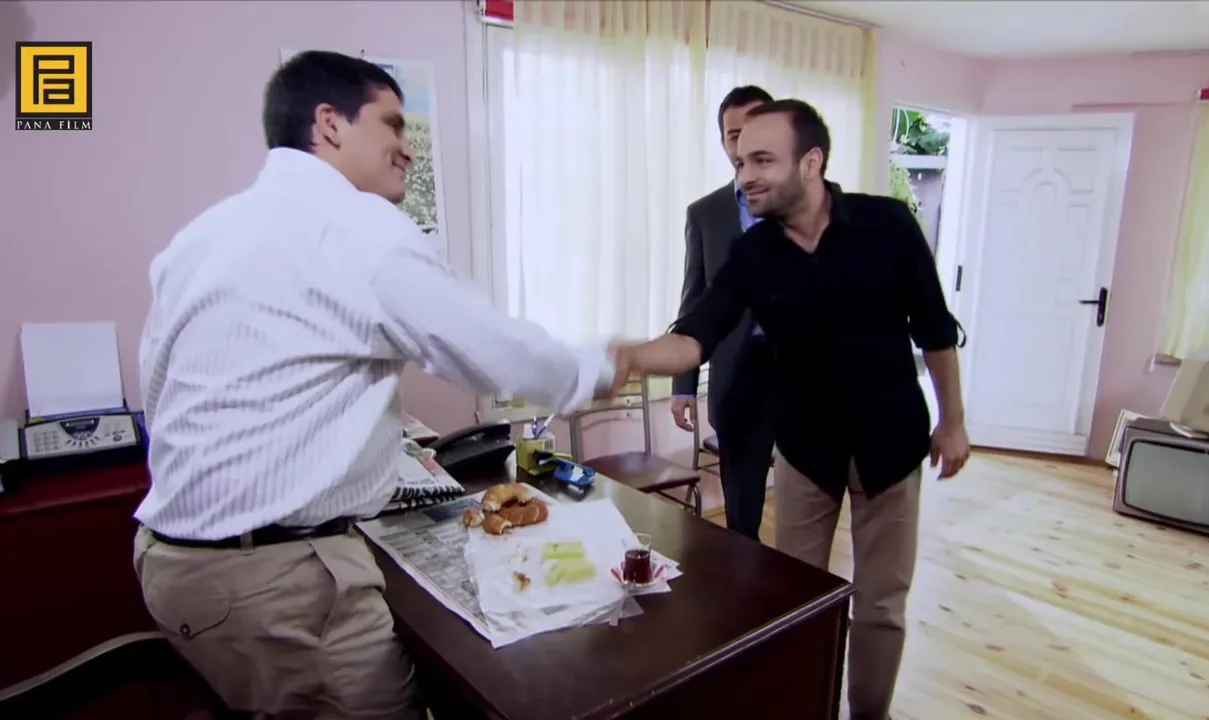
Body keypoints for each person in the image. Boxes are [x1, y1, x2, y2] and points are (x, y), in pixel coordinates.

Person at [132, 50, 623, 719]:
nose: (408, 149)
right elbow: (492, 351)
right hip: (273, 580)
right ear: (329, 124)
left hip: (176, 566)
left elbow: (160, 392)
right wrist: (604, 365)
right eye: (393, 125)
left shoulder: (202, 236)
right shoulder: (355, 227)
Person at [616, 99, 970, 720]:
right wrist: (630, 358)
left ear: (811, 162)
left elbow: (935, 330)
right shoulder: (754, 255)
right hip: (806, 447)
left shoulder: (887, 224)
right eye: (740, 161)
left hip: (891, 443)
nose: (745, 175)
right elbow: (697, 333)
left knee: (881, 604)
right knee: (797, 598)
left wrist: (954, 421)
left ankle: (870, 714)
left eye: (762, 160)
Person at [670, 85, 778, 542]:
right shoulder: (705, 214)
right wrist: (683, 385)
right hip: (737, 386)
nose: (745, 144)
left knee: (808, 518)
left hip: (806, 385)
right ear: (724, 143)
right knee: (742, 523)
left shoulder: (806, 205)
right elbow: (694, 301)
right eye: (735, 135)